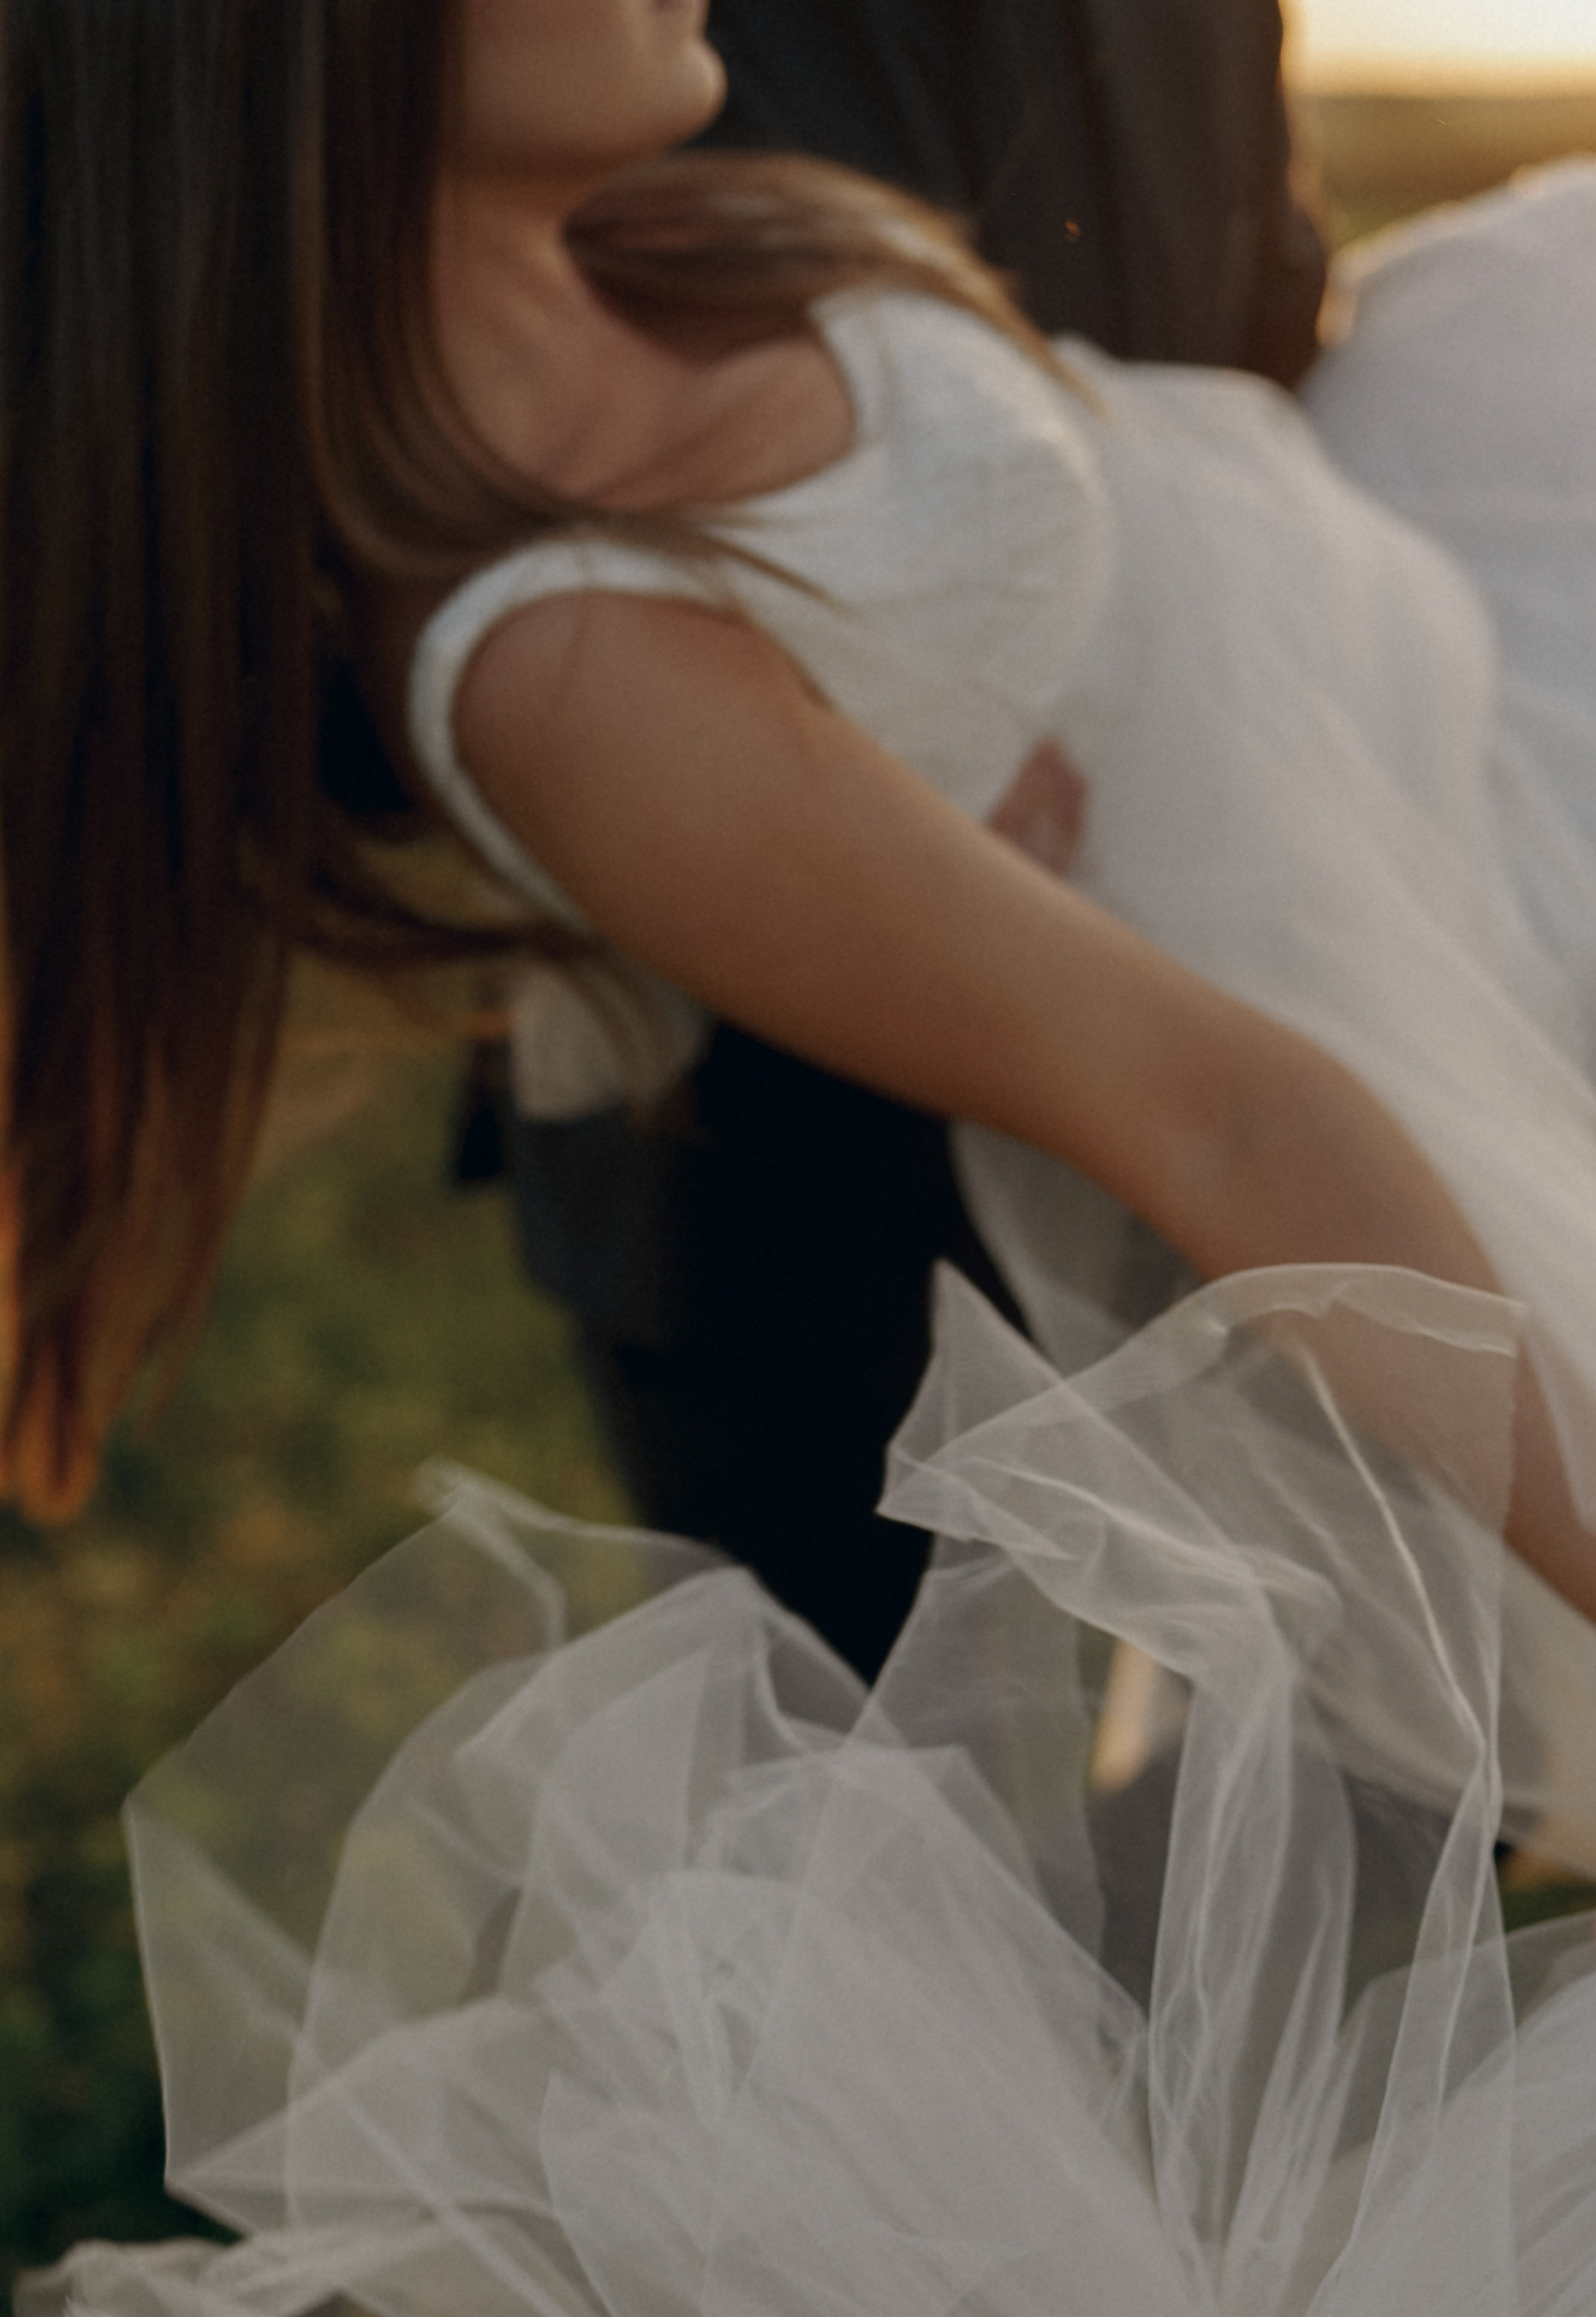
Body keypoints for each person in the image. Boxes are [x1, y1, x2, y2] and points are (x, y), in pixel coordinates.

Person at [0, 0, 1596, 2317]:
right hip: (1365, 944)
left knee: (1594, 290)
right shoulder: (553, 651)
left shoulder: (677, 227)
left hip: (1419, 679)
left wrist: (1077, 648)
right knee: (1057, 1899)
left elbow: (1171, 396)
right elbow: (1213, 1104)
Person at [480, 0, 1331, 1682]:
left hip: (1201, 991)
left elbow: (1271, 348)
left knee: (1300, 1763)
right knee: (867, 1803)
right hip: (770, 1148)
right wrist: (822, 727)